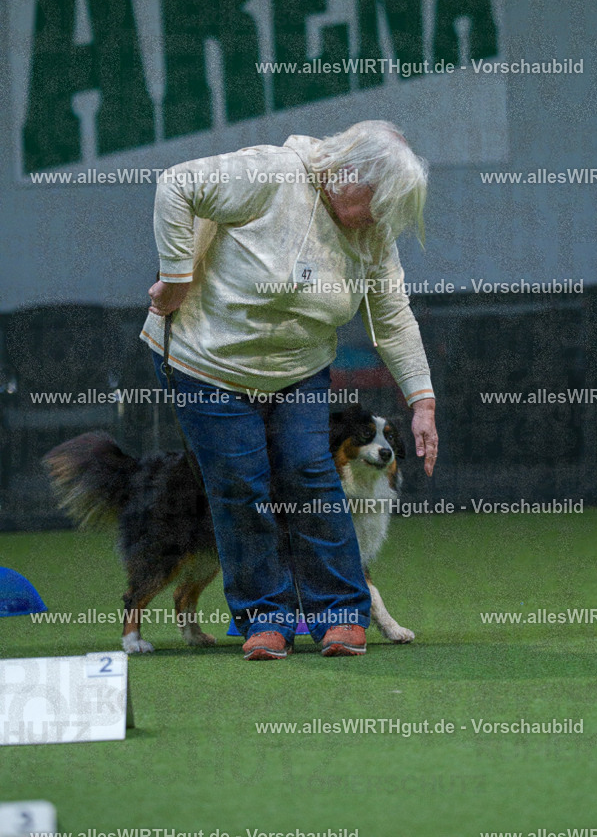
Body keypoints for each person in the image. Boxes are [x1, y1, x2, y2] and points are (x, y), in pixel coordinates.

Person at [140, 120, 438, 660]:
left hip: (298, 370)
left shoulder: (371, 230)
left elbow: (392, 318)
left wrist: (422, 400)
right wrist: (177, 274)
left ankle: (341, 615)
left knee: (311, 474)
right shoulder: (271, 174)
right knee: (240, 486)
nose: (378, 219)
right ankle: (265, 620)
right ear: (347, 173)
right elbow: (175, 184)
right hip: (210, 363)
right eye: (377, 201)